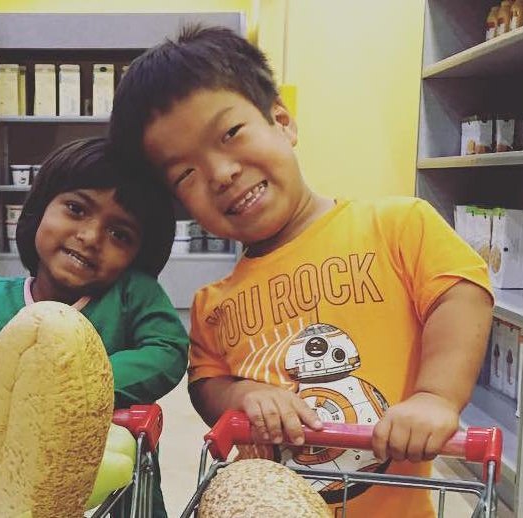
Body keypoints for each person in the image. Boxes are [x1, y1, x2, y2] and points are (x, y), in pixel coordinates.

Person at [109, 26, 494, 517]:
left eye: (230, 134)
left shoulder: (398, 225)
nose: (221, 173)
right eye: (185, 173)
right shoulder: (214, 303)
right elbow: (207, 385)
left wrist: (435, 396)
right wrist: (244, 394)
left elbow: (459, 291)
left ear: (282, 121)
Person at [0, 136, 186, 517]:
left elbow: (167, 350)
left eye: (119, 234)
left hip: (111, 477)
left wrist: (77, 389)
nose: (91, 237)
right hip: (4, 475)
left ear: (138, 255)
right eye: (76, 209)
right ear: (38, 210)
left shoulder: (134, 296)